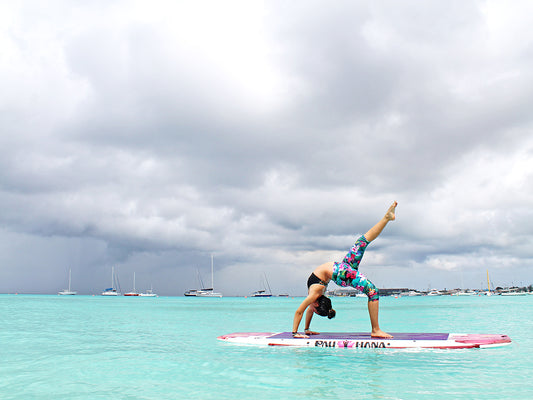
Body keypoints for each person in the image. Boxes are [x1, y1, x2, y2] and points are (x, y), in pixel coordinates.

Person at [292, 201, 397, 339]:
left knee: (362, 242)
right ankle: (375, 329)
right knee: (373, 292)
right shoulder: (315, 296)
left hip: (342, 271)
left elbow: (300, 311)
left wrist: (297, 333)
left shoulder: (314, 296)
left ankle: (387, 218)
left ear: (316, 304)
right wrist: (305, 329)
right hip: (342, 272)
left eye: (313, 310)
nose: (311, 310)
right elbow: (308, 310)